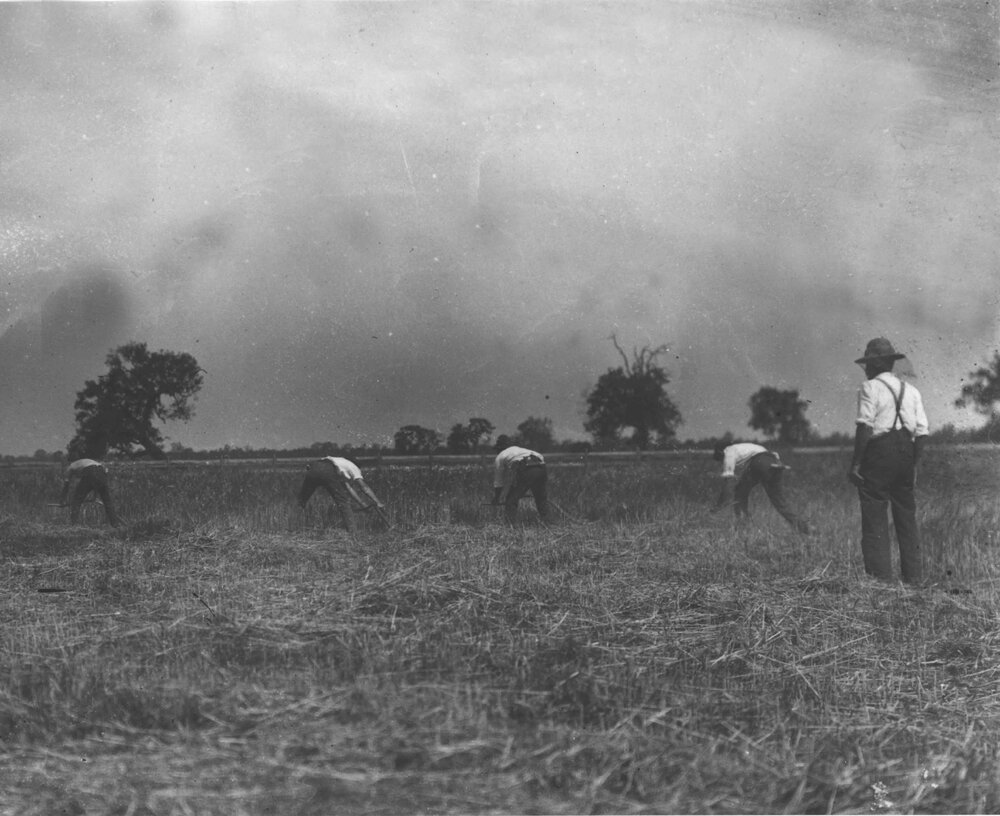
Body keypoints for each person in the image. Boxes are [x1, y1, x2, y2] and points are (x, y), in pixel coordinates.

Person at [848, 337, 929, 584]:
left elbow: (864, 427)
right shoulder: (912, 391)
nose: (867, 369)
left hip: (878, 454)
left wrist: (856, 464)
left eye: (869, 364)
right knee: (906, 516)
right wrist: (913, 466)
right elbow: (922, 433)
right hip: (906, 453)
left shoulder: (869, 387)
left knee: (874, 514)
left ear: (873, 364)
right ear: (891, 363)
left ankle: (881, 582)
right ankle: (913, 579)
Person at [714, 441, 812, 534]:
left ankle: (744, 528)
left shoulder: (729, 452)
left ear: (720, 451)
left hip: (760, 462)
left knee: (739, 492)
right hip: (775, 463)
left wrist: (717, 507)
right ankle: (806, 528)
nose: (721, 462)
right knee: (780, 502)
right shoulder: (746, 448)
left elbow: (728, 484)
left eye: (720, 459)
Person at [297, 456, 385, 534]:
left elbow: (349, 489)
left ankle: (296, 527)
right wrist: (378, 502)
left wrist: (363, 504)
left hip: (313, 467)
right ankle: (353, 532)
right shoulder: (353, 467)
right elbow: (364, 487)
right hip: (328, 470)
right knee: (343, 502)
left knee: (302, 499)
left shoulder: (340, 464)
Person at [491, 435, 549, 524]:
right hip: (541, 467)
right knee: (541, 498)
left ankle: (510, 527)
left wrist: (497, 498)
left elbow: (498, 482)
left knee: (511, 500)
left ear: (500, 448)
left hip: (525, 468)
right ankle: (548, 523)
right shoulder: (521, 450)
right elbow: (541, 457)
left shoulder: (500, 456)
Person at [60, 458, 120, 526]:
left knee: (77, 499)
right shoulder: (83, 462)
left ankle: (73, 524)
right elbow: (99, 476)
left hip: (90, 471)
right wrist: (95, 494)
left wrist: (62, 500)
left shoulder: (70, 467)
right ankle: (115, 524)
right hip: (101, 471)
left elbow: (66, 485)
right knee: (107, 501)